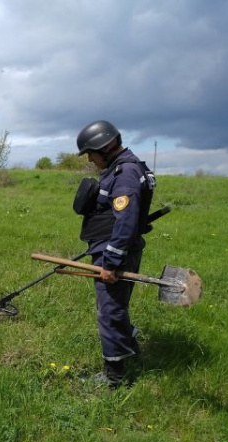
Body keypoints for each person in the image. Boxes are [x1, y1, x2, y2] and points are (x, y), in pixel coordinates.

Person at [75, 120, 155, 388]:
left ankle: (114, 378)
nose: (89, 158)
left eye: (90, 152)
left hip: (115, 252)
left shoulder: (125, 173)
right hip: (109, 248)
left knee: (109, 311)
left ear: (106, 147)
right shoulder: (122, 168)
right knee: (116, 306)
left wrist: (109, 262)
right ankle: (131, 349)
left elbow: (126, 222)